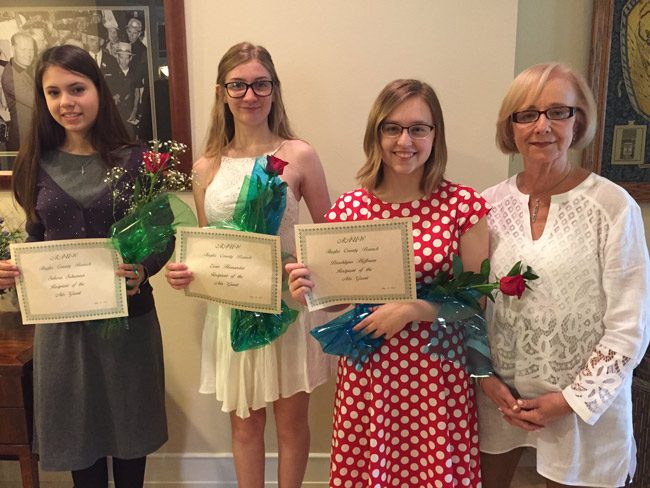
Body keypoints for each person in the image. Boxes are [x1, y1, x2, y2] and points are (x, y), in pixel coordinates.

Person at [287, 79, 490, 487]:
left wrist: (415, 309)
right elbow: (334, 304)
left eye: (419, 128)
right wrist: (308, 291)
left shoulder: (464, 206)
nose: (405, 140)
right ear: (376, 134)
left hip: (437, 377)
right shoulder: (350, 209)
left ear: (436, 135)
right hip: (370, 376)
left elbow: (476, 301)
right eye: (392, 127)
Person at [164, 42, 336, 488]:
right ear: (222, 92)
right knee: (245, 425)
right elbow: (206, 248)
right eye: (238, 85)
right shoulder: (205, 167)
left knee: (292, 423)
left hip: (288, 308)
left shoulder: (299, 155)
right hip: (231, 311)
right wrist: (186, 273)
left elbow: (328, 236)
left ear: (274, 90)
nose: (250, 95)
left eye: (260, 84)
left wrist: (311, 275)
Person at [0, 44, 169, 487]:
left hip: (129, 325)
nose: (65, 102)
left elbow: (163, 236)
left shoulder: (139, 159)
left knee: (131, 443)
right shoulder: (34, 162)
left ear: (99, 89)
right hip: (64, 331)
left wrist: (142, 268)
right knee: (81, 445)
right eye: (53, 93)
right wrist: (12, 270)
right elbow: (36, 240)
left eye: (76, 89)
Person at [477, 62, 650, 488]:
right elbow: (470, 306)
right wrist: (482, 376)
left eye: (558, 112)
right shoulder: (485, 206)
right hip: (500, 404)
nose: (542, 126)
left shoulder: (612, 206)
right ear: (511, 126)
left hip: (582, 411)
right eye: (527, 114)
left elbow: (630, 328)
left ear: (579, 121)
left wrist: (570, 401)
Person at [1, 32, 36, 151]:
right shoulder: (10, 77)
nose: (28, 54)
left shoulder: (27, 68)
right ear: (12, 49)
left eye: (31, 49)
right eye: (23, 49)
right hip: (23, 142)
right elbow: (37, 101)